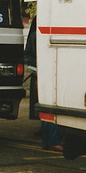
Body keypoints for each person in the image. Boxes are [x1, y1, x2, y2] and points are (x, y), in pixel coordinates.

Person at [25, 16, 63, 152]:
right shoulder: (43, 36)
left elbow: (27, 56)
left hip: (41, 74)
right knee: (53, 105)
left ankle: (47, 141)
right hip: (48, 74)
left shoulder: (35, 35)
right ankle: (53, 141)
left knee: (47, 106)